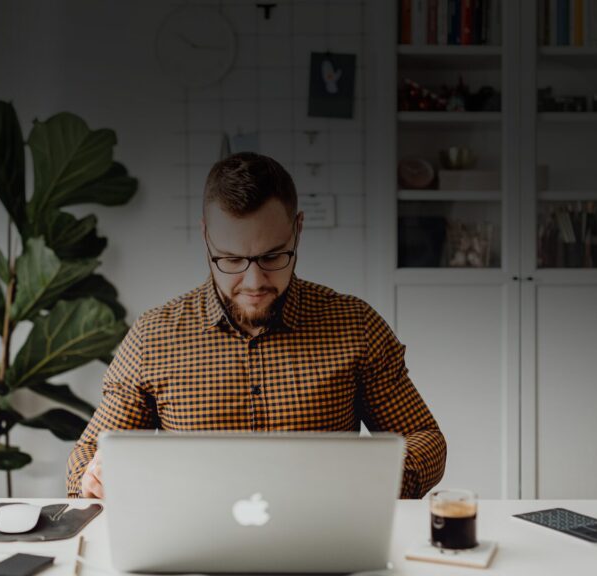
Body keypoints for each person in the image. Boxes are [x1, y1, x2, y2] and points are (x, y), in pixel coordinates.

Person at [66, 152, 446, 499]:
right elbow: (88, 453)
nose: (253, 283)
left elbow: (425, 439)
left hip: (321, 543)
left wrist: (376, 479)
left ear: (297, 229)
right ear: (206, 237)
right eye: (230, 259)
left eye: (272, 256)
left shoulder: (355, 325)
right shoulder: (154, 337)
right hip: (194, 551)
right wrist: (92, 476)